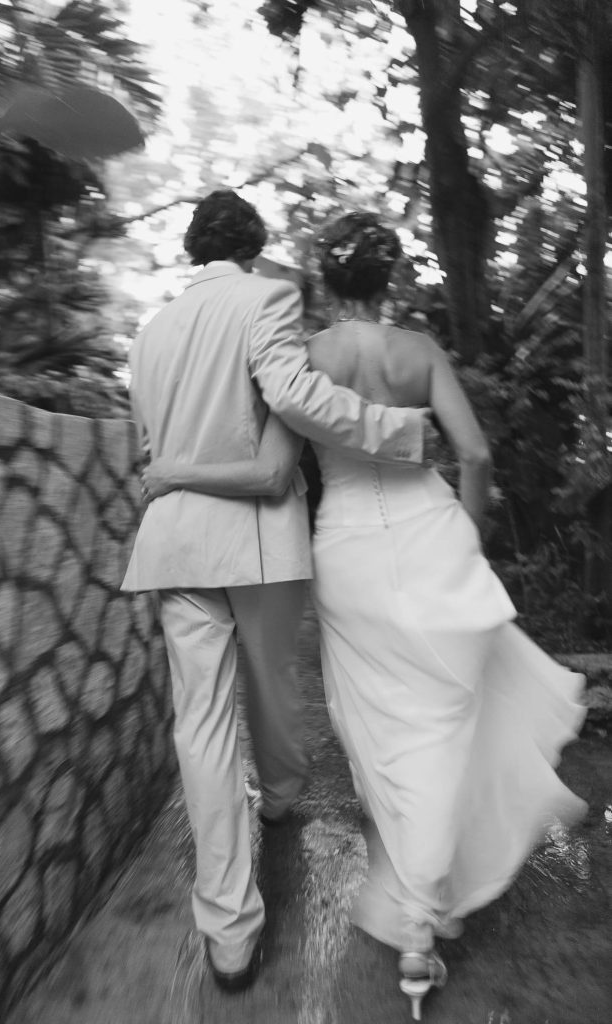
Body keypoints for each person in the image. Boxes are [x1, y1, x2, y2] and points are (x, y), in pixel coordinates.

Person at [141, 211, 587, 1018]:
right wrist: (470, 533)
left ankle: (344, 901)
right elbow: (476, 454)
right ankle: (420, 898)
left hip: (334, 550)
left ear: (326, 278)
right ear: (388, 278)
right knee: (444, 714)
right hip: (426, 536)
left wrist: (168, 469)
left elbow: (271, 460)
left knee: (366, 725)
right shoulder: (415, 350)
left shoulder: (275, 351)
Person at [121, 192, 434, 993]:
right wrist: (396, 431)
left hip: (174, 545)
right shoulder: (266, 297)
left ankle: (227, 932)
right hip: (256, 540)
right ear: (253, 247)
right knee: (272, 681)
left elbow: (150, 445)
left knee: (200, 730)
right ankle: (283, 796)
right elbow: (294, 396)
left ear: (195, 249)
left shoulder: (151, 333)